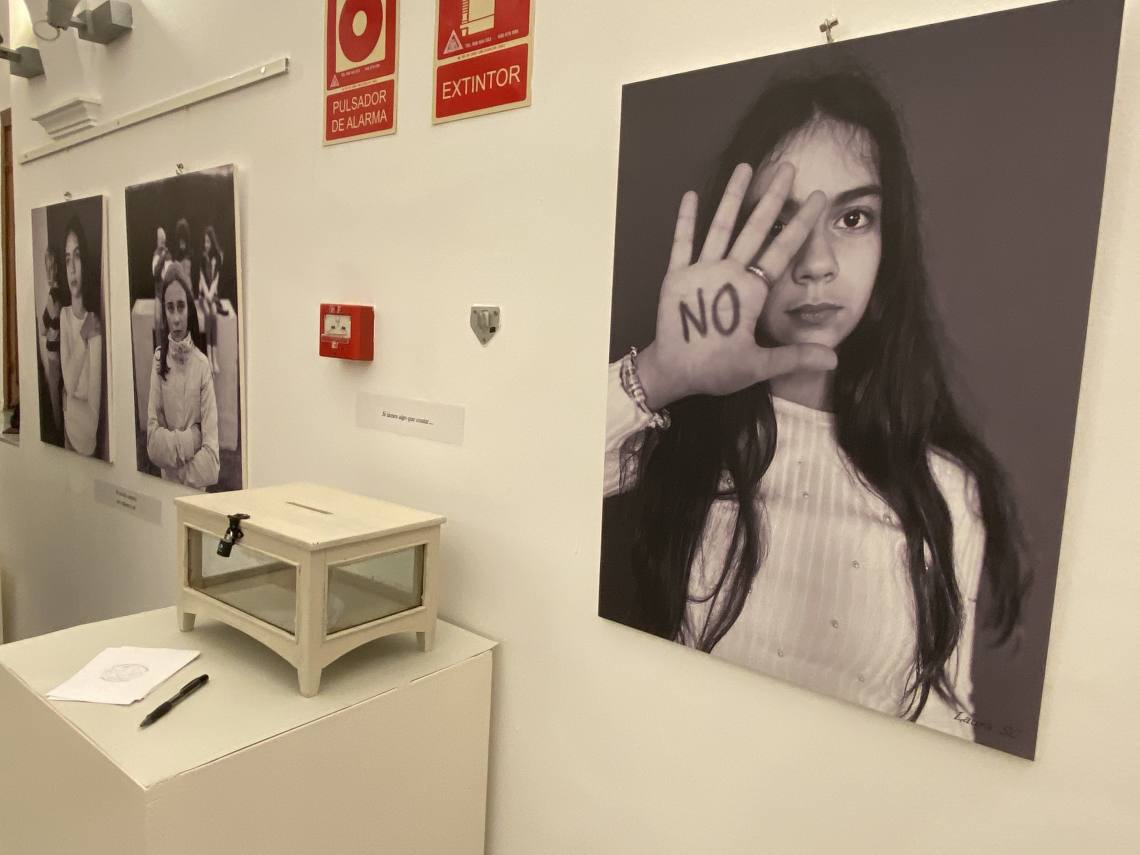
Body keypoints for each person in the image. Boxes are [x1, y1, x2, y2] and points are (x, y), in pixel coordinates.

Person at [603, 70, 1026, 740]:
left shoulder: (947, 489)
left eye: (853, 218)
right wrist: (660, 374)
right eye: (782, 221)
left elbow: (947, 720)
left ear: (889, 240)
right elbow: (515, 489)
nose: (817, 262)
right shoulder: (669, 435)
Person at [146, 262, 220, 489]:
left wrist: (172, 468)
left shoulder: (202, 366)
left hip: (195, 495)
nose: (176, 318)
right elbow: (153, 445)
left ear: (189, 309)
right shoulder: (158, 361)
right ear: (164, 313)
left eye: (181, 307)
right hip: (165, 493)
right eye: (170, 308)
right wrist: (193, 438)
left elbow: (212, 465)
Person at [58, 216, 103, 457]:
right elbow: (68, 381)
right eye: (67, 259)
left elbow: (93, 420)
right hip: (67, 437)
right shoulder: (64, 316)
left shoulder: (94, 324)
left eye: (76, 256)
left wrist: (69, 402)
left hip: (86, 450)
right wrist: (83, 336)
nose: (72, 268)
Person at [38, 244, 67, 443]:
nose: (49, 271)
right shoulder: (60, 293)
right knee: (60, 393)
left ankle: (58, 435)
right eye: (46, 266)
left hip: (53, 354)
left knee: (56, 398)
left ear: (55, 267)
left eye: (51, 266)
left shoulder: (53, 295)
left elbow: (43, 329)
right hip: (58, 352)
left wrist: (49, 327)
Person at [197, 225, 224, 374]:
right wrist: (206, 295)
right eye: (204, 242)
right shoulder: (202, 258)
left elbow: (216, 280)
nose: (206, 245)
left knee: (214, 314)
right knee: (207, 314)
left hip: (212, 295)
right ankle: (208, 356)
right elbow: (201, 278)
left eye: (208, 242)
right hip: (203, 295)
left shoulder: (217, 258)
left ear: (212, 242)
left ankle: (215, 357)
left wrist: (211, 295)